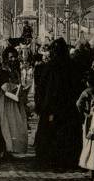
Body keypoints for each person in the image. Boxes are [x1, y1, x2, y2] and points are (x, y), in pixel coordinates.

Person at [34, 38, 83, 169]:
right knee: (67, 134)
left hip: (52, 107)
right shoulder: (72, 66)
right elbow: (78, 87)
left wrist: (40, 106)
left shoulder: (48, 67)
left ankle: (51, 159)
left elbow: (42, 89)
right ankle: (68, 159)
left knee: (51, 133)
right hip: (68, 107)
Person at [0, 51, 29, 155]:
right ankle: (5, 148)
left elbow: (19, 83)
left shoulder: (15, 71)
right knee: (5, 123)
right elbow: (1, 88)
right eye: (10, 57)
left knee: (14, 123)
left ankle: (11, 148)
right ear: (5, 58)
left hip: (14, 100)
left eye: (14, 57)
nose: (13, 59)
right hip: (5, 100)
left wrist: (21, 90)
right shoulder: (1, 71)